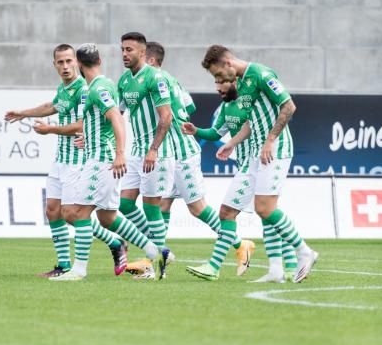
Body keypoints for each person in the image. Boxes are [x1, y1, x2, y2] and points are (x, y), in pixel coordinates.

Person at [185, 45, 317, 283]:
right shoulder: (243, 83)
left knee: (265, 209)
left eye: (218, 75)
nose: (218, 81)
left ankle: (303, 252)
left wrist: (270, 140)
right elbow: (250, 123)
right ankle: (272, 270)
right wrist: (231, 143)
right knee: (227, 212)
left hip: (275, 150)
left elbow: (289, 106)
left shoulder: (261, 74)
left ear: (228, 63)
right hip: (254, 154)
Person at [4, 44, 129, 278]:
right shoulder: (64, 88)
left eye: (69, 61)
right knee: (53, 211)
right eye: (60, 62)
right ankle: (63, 265)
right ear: (54, 65)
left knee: (72, 214)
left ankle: (114, 243)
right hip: (61, 158)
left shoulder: (85, 89)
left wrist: (50, 129)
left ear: (77, 63)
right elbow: (52, 106)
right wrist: (23, 113)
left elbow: (83, 125)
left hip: (79, 159)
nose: (65, 66)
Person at [51, 44, 166, 281]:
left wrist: (120, 153)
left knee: (78, 213)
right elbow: (103, 122)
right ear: (100, 60)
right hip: (104, 157)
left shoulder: (97, 88)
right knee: (107, 218)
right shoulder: (106, 84)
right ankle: (156, 251)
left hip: (101, 160)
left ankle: (78, 270)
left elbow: (116, 118)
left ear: (79, 64)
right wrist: (92, 138)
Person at [144, 42, 254, 276]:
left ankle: (239, 244)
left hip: (182, 152)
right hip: (169, 151)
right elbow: (190, 105)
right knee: (163, 203)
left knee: (197, 208)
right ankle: (158, 260)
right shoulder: (172, 80)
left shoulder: (153, 81)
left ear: (150, 60)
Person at [115, 32, 174, 278]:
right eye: (122, 49)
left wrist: (154, 149)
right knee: (125, 204)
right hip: (136, 151)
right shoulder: (124, 80)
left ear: (142, 52)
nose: (124, 54)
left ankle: (156, 266)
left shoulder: (155, 77)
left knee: (151, 208)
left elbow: (166, 116)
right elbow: (116, 115)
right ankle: (160, 249)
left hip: (156, 153)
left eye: (129, 49)